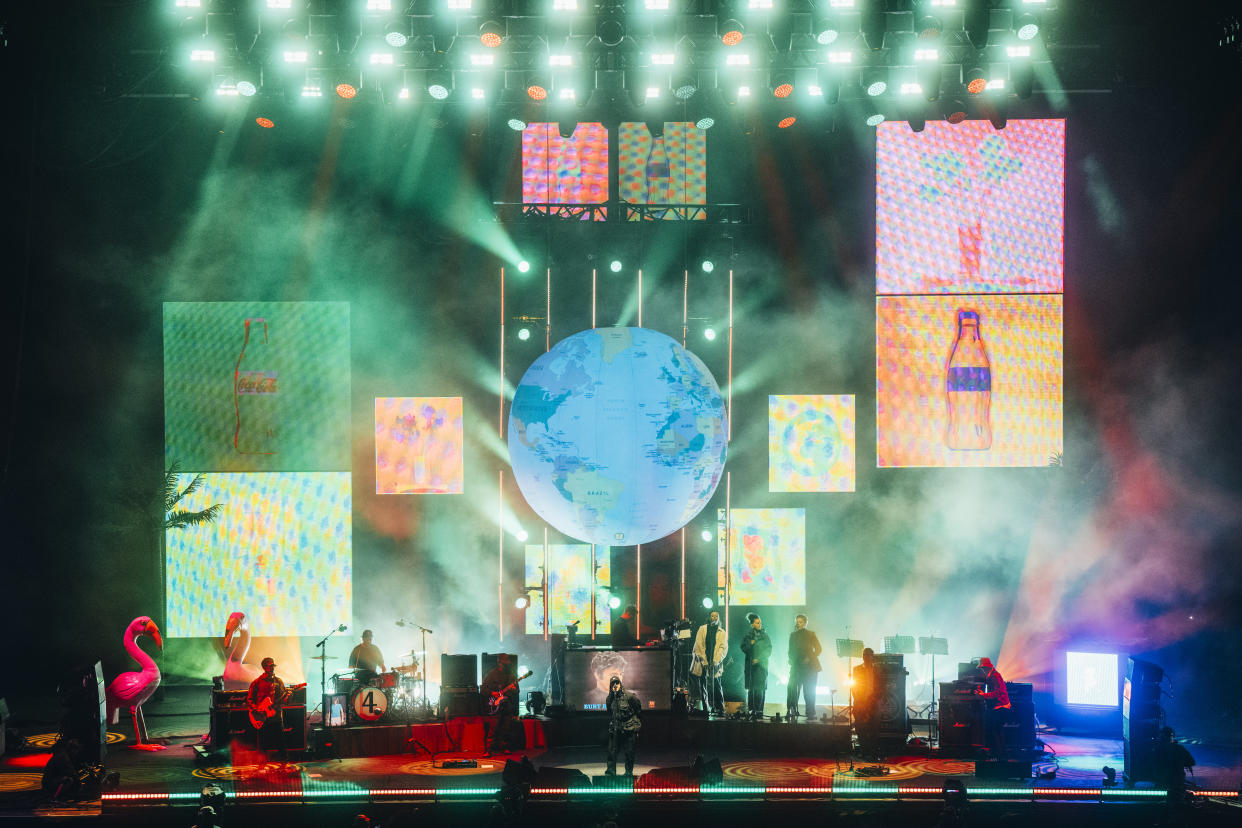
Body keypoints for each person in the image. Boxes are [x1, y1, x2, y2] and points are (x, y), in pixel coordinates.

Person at [247, 656, 291, 756]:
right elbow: (249, 699)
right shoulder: (257, 682)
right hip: (262, 716)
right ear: (264, 667)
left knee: (280, 740)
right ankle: (262, 762)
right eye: (270, 666)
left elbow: (284, 700)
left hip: (276, 715)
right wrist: (257, 710)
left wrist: (288, 697)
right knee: (263, 741)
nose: (273, 668)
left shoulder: (278, 681)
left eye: (273, 666)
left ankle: (284, 762)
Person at [481, 653, 519, 755]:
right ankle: (489, 750)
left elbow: (517, 691)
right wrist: (493, 693)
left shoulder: (511, 675)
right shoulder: (492, 674)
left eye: (508, 661)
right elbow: (483, 689)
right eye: (505, 661)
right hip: (495, 705)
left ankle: (504, 748)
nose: (507, 663)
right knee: (493, 729)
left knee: (505, 729)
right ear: (499, 662)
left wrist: (514, 689)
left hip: (507, 705)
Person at [691, 610, 727, 716]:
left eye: (716, 616)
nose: (714, 618)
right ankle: (706, 708)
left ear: (719, 618)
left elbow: (723, 648)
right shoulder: (702, 629)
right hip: (704, 662)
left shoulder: (722, 632)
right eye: (712, 616)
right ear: (709, 617)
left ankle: (721, 709)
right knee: (703, 686)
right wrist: (704, 661)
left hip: (715, 662)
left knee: (717, 685)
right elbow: (698, 645)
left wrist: (716, 661)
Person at [786, 614, 822, 720]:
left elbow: (819, 649)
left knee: (809, 690)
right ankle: (791, 709)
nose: (799, 623)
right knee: (792, 688)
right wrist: (791, 659)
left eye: (801, 622)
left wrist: (809, 658)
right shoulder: (793, 635)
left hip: (810, 667)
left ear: (806, 623)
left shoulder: (811, 634)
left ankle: (810, 712)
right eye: (797, 622)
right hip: (797, 666)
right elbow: (790, 651)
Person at [604, 675, 642, 777]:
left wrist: (636, 727)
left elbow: (638, 711)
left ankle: (628, 773)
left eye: (617, 683)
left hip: (629, 728)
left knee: (629, 753)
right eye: (613, 684)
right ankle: (611, 772)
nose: (615, 685)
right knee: (612, 752)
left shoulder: (630, 696)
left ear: (620, 684)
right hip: (615, 728)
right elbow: (609, 712)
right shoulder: (610, 699)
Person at [974, 656, 1010, 758]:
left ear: (986, 667)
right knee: (996, 729)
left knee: (995, 730)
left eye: (983, 668)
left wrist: (983, 695)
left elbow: (999, 693)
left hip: (1001, 707)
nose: (982, 670)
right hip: (999, 707)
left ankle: (999, 754)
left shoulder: (995, 676)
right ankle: (999, 753)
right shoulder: (992, 675)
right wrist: (983, 694)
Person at [739, 612, 772, 720]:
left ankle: (759, 712)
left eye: (760, 623)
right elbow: (743, 648)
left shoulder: (765, 636)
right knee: (751, 689)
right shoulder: (747, 636)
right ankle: (751, 711)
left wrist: (759, 659)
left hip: (761, 667)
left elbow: (769, 650)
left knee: (760, 689)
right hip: (750, 667)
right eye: (757, 623)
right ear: (752, 624)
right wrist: (751, 644)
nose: (759, 625)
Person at [1153, 726, 1196, 801]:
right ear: (1172, 736)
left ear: (1162, 736)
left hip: (1162, 782)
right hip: (1177, 783)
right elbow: (1191, 762)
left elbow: (1151, 765)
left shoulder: (1157, 749)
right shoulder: (1180, 748)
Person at [852, 648, 878, 756]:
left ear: (872, 657)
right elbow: (854, 686)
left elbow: (879, 686)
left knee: (873, 726)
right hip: (860, 701)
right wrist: (859, 700)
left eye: (868, 655)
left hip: (873, 701)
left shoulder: (877, 670)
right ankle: (864, 749)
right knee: (860, 727)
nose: (866, 657)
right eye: (864, 655)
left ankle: (871, 750)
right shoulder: (857, 669)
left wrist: (874, 699)